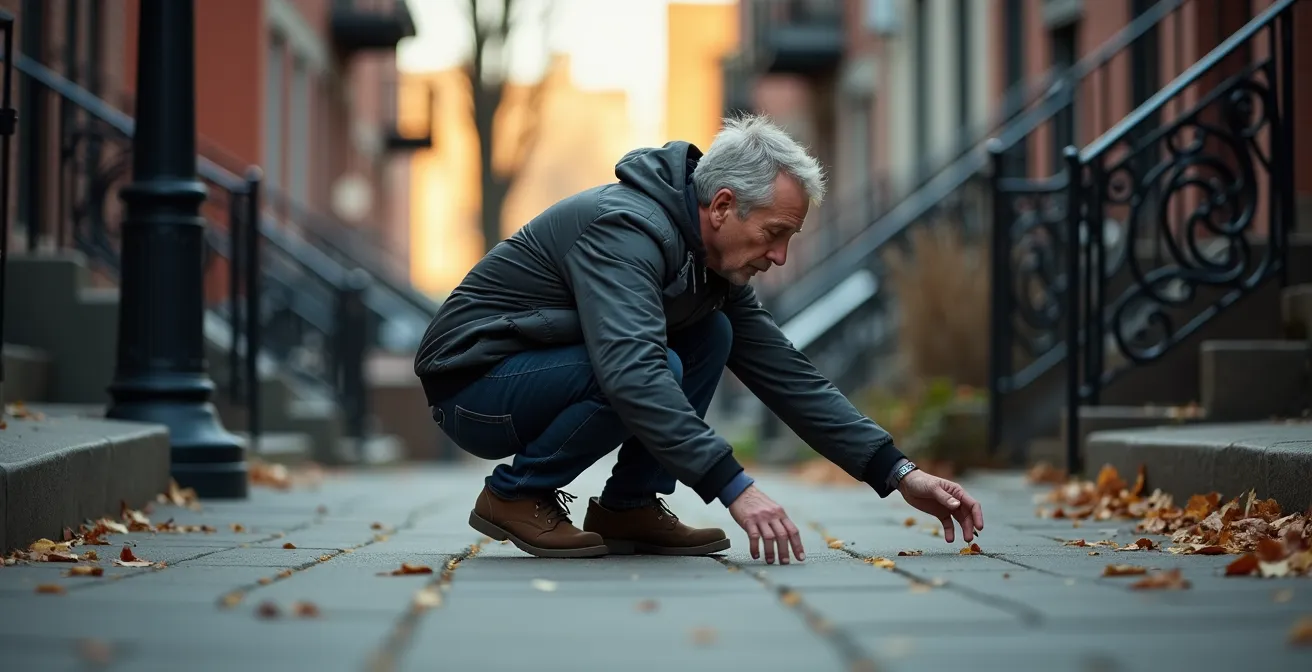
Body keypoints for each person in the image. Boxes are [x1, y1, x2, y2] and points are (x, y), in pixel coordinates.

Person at [414, 115, 984, 564]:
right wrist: (734, 486)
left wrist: (898, 473)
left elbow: (787, 375)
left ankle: (629, 507)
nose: (780, 256)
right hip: (473, 387)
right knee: (648, 360)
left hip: (535, 370)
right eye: (774, 233)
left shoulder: (710, 269)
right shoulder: (626, 230)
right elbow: (631, 372)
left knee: (712, 332)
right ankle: (515, 493)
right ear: (722, 206)